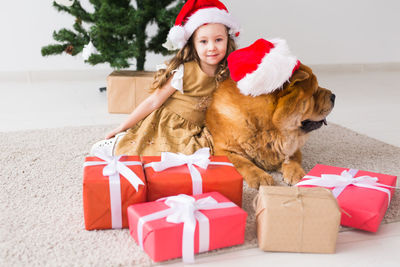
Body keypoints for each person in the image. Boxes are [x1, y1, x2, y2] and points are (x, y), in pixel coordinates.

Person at [91, 0, 240, 156]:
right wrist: (122, 126)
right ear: (193, 44)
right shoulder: (185, 71)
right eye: (203, 41)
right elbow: (153, 101)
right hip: (171, 124)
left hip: (198, 127)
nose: (211, 47)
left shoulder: (227, 72)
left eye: (218, 40)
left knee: (211, 151)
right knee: (160, 153)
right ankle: (120, 142)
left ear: (228, 40)